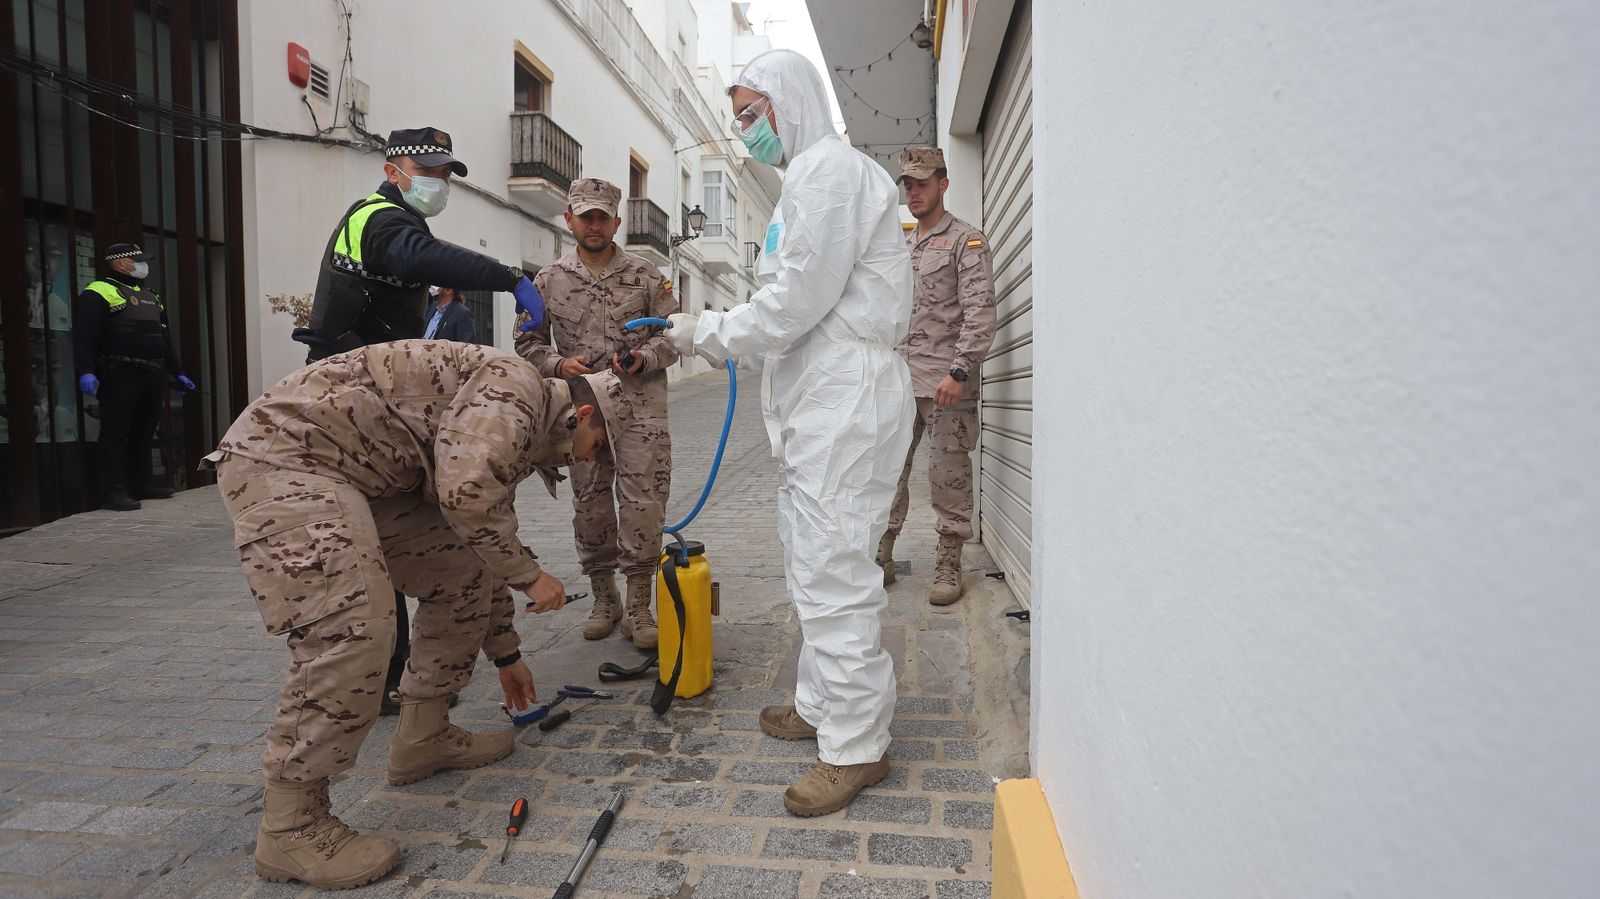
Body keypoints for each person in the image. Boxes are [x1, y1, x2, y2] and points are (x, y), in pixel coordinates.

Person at [203, 340, 617, 890]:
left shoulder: (522, 428)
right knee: (354, 624)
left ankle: (424, 734)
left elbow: (479, 541)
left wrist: (506, 653)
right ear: (582, 415)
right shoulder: (517, 386)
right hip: (288, 458)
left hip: (366, 475)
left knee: (462, 573)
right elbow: (467, 496)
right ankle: (291, 826)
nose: (587, 461)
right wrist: (531, 576)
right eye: (596, 448)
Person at [664, 49, 915, 817]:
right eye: (738, 117)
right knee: (813, 559)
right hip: (823, 396)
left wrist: (703, 330)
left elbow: (793, 303)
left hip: (846, 397)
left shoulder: (830, 173)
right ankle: (821, 703)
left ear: (790, 101)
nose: (745, 131)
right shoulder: (806, 179)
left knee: (835, 568)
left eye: (751, 114)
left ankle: (856, 745)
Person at [292, 127, 548, 715]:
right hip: (345, 403)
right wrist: (509, 277)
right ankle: (376, 678)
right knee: (369, 540)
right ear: (393, 170)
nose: (439, 182)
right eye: (428, 171)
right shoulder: (378, 219)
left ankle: (397, 670)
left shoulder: (401, 222)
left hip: (368, 400)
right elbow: (417, 257)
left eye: (445, 174)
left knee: (389, 533)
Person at [515, 178, 679, 648]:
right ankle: (605, 598)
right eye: (585, 216)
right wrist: (558, 364)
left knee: (644, 502)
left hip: (640, 409)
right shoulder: (547, 281)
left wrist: (644, 357)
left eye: (602, 217)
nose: (593, 225)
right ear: (569, 220)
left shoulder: (648, 276)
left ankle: (640, 604)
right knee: (590, 504)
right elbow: (527, 343)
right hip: (582, 410)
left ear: (616, 222)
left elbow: (674, 336)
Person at [879, 148, 997, 605]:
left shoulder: (966, 241)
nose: (913, 193)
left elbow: (980, 312)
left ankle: (949, 560)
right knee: (889, 470)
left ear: (943, 185)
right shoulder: (906, 246)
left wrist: (960, 370)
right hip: (901, 381)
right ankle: (882, 553)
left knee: (948, 473)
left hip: (946, 383)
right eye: (907, 185)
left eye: (922, 184)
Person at [73, 242, 198, 512]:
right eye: (136, 260)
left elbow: (164, 339)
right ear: (119, 263)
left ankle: (141, 483)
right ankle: (111, 491)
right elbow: (84, 337)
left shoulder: (151, 296)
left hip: (153, 372)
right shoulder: (99, 291)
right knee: (115, 433)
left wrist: (178, 372)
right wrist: (86, 371)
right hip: (120, 372)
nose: (143, 265)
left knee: (145, 431)